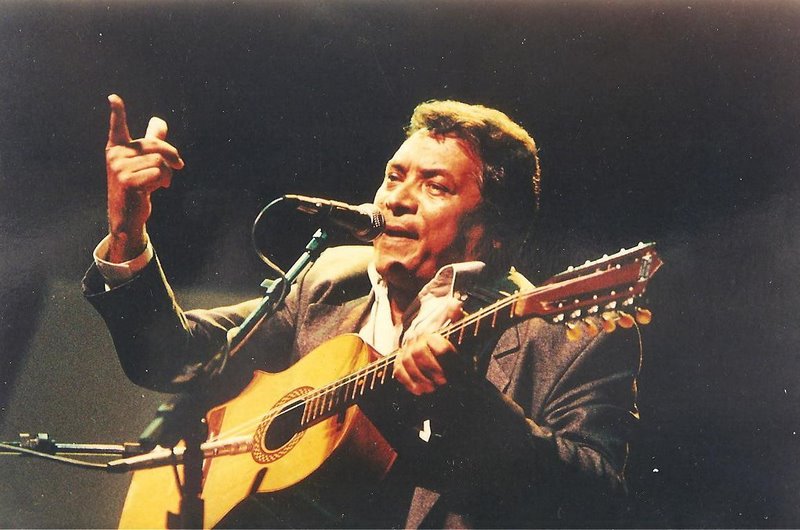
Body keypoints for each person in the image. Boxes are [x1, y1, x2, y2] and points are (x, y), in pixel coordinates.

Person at [83, 95, 641, 528]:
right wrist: (127, 233)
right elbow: (177, 357)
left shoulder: (564, 340)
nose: (395, 198)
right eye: (394, 176)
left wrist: (463, 400)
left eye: (435, 186)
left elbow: (596, 502)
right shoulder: (329, 281)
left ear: (496, 233)